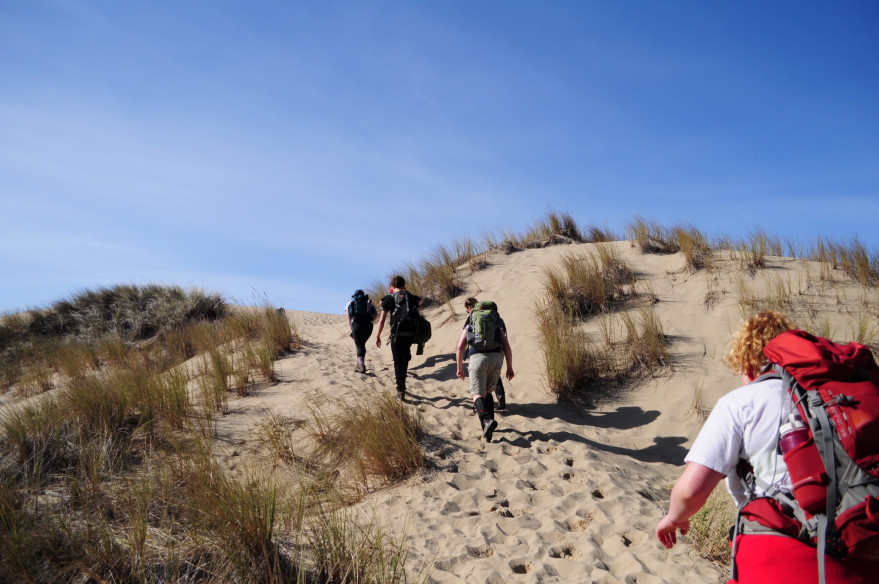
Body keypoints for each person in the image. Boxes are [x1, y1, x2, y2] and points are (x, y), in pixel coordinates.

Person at [655, 310, 871, 583]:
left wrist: (674, 518)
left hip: (779, 556)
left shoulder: (740, 403)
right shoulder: (837, 402)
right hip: (860, 552)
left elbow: (691, 490)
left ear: (747, 364)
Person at [455, 299, 515, 442]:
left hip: (476, 357)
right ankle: (488, 427)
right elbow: (506, 346)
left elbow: (460, 347)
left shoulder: (472, 319)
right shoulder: (496, 320)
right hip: (496, 358)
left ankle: (486, 421)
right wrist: (510, 367)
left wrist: (459, 368)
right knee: (488, 392)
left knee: (476, 394)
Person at [375, 276, 422, 400]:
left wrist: (378, 335)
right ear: (403, 285)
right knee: (405, 359)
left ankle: (400, 389)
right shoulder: (410, 296)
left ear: (392, 286)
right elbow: (420, 305)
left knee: (397, 362)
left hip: (396, 334)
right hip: (410, 333)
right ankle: (403, 382)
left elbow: (382, 320)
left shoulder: (389, 298)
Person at [463, 297, 507, 409]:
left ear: (469, 307)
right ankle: (500, 395)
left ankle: (480, 405)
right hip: (497, 350)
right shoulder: (493, 316)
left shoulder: (472, 317)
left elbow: (466, 336)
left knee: (480, 381)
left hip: (478, 352)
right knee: (495, 376)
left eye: (467, 309)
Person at [346, 289, 377, 374]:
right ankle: (358, 365)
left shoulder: (352, 303)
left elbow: (349, 316)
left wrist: (351, 327)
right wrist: (371, 322)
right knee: (362, 345)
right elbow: (376, 314)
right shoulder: (368, 302)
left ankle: (361, 365)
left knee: (359, 346)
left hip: (357, 325)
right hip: (368, 326)